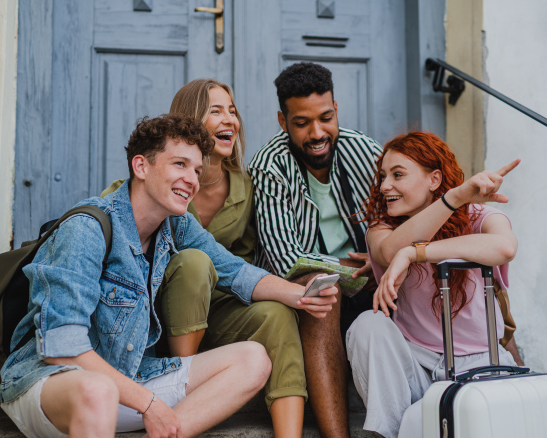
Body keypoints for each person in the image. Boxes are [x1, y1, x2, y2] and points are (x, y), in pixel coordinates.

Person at [0, 114, 337, 438]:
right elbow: (63, 348)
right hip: (52, 385)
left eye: (196, 169)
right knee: (97, 389)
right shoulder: (87, 229)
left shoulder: (176, 224)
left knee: (253, 360)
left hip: (128, 380)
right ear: (141, 166)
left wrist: (299, 295)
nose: (192, 179)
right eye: (179, 164)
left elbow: (235, 271)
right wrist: (149, 403)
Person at [102, 79, 313, 437]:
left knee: (277, 312)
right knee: (194, 264)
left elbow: (237, 266)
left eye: (232, 110)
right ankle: (184, 383)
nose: (230, 119)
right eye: (216, 110)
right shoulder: (134, 195)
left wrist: (299, 293)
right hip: (156, 319)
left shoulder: (247, 186)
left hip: (221, 307)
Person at [345, 132, 520, 438]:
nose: (385, 185)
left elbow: (504, 247)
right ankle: (394, 432)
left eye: (398, 175)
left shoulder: (477, 217)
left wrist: (416, 253)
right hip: (416, 365)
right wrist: (453, 198)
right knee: (366, 326)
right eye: (383, 176)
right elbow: (388, 251)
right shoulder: (381, 229)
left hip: (480, 364)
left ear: (434, 179)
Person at [249, 62, 382, 438]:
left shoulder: (366, 153)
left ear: (336, 109)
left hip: (369, 283)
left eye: (325, 117)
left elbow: (404, 218)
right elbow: (286, 260)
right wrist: (358, 267)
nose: (317, 133)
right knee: (322, 287)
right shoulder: (270, 166)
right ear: (282, 120)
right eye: (302, 123)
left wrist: (384, 260)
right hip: (298, 299)